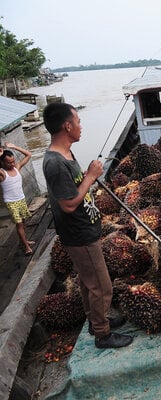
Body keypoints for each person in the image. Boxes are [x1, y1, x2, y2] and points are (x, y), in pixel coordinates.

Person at [42, 102, 133, 349]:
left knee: (87, 282)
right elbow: (69, 204)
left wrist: (87, 177)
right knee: (102, 286)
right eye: (78, 121)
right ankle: (103, 335)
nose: (82, 126)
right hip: (79, 235)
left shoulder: (66, 154)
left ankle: (96, 321)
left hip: (86, 229)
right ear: (67, 125)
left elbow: (73, 189)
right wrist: (92, 176)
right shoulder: (55, 163)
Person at [0, 143, 35, 255]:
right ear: (3, 162)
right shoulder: (2, 173)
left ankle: (23, 241)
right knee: (19, 224)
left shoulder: (17, 167)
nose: (12, 164)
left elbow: (29, 154)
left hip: (21, 199)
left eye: (13, 161)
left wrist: (14, 147)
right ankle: (26, 247)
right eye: (9, 162)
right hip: (11, 202)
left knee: (23, 222)